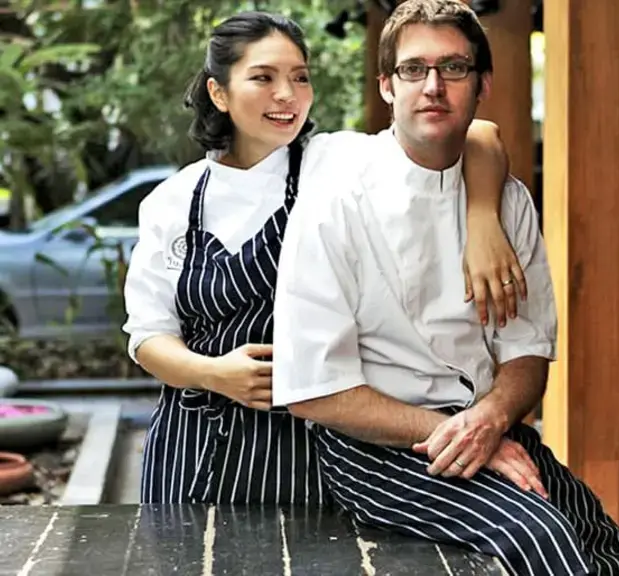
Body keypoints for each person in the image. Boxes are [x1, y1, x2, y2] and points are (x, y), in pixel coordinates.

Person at [272, 1, 619, 574]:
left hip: (484, 422)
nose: (433, 86)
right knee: (542, 537)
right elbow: (314, 390)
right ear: (387, 86)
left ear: (483, 85)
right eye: (413, 69)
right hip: (375, 448)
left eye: (454, 68)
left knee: (615, 553)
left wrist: (491, 418)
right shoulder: (336, 198)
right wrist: (461, 431)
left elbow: (527, 352)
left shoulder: (507, 202)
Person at [122, 10, 525, 506]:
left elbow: (479, 135)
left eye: (300, 77)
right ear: (218, 93)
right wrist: (215, 374)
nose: (287, 95)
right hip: (193, 443)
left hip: (308, 450)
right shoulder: (171, 201)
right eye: (263, 78)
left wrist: (483, 220)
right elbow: (148, 336)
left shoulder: (335, 162)